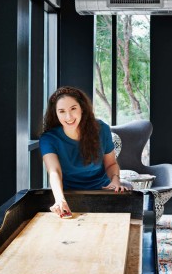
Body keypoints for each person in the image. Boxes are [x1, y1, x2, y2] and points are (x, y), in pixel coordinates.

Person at [39, 86, 129, 217]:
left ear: (82, 108)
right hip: (70, 194)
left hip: (103, 191)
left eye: (73, 109)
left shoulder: (102, 128)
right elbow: (54, 172)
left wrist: (115, 180)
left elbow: (111, 164)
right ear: (55, 114)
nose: (68, 116)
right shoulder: (48, 139)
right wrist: (59, 199)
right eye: (62, 111)